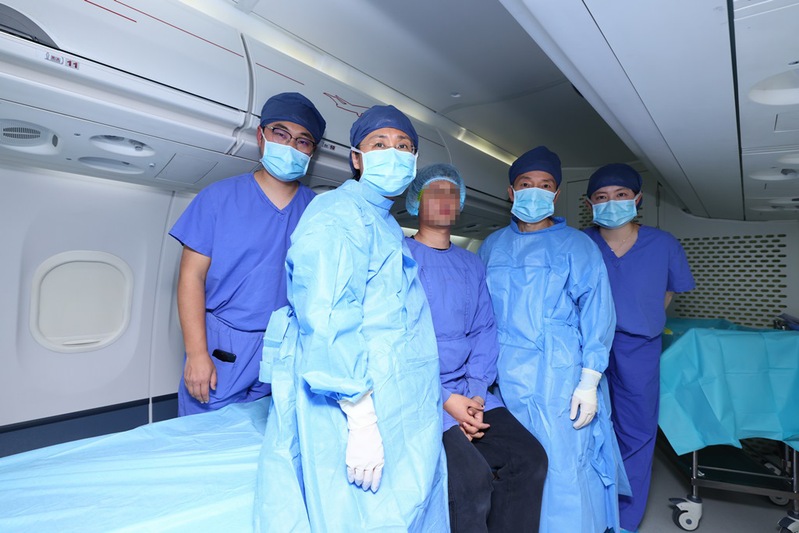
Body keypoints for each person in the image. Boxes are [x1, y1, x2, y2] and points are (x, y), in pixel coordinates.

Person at [255, 105, 448, 532]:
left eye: (404, 146)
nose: (393, 153)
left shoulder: (383, 222)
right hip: (354, 398)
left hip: (393, 393)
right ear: (357, 159)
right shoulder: (338, 214)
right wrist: (361, 419)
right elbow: (327, 318)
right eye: (380, 144)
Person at [477, 146, 627, 533]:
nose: (535, 191)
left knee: (564, 464)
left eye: (545, 185)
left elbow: (598, 314)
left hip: (560, 376)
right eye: (526, 183)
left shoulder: (578, 246)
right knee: (516, 465)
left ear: (556, 194)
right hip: (504, 376)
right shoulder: (492, 245)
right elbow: (479, 314)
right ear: (511, 191)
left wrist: (589, 381)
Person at [404, 163, 548, 533]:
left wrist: (476, 395)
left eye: (451, 193)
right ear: (415, 201)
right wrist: (446, 401)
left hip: (471, 392)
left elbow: (484, 330)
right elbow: (397, 344)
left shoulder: (471, 263)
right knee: (471, 481)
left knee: (529, 459)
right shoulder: (399, 258)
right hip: (420, 393)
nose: (444, 200)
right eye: (434, 192)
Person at [169, 92, 326, 416]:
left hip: (285, 347)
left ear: (311, 151)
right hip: (222, 347)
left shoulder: (318, 211)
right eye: (281, 134)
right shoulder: (217, 198)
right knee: (205, 435)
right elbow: (191, 278)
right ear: (261, 136)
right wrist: (197, 354)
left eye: (302, 141)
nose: (290, 146)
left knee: (268, 435)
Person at [584, 163, 695, 533]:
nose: (611, 202)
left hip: (639, 348)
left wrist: (640, 321)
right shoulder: (581, 243)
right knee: (587, 428)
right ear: (589, 203)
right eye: (601, 197)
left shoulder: (662, 244)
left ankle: (624, 520)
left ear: (637, 199)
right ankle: (589, 511)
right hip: (587, 347)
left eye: (620, 195)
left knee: (636, 432)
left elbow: (666, 292)